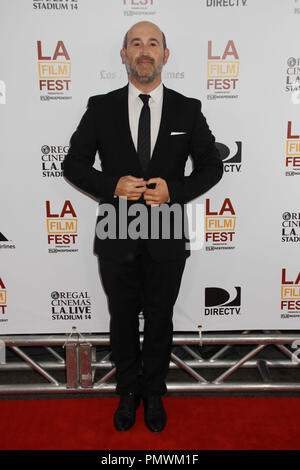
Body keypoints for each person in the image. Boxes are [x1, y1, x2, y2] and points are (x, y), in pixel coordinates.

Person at [63, 21, 223, 433]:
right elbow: (73, 164)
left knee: (159, 317)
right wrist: (110, 185)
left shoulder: (188, 109)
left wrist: (175, 191)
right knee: (120, 318)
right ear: (124, 55)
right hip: (117, 225)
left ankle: (154, 392)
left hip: (167, 226)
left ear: (166, 56)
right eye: (136, 44)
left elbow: (212, 166)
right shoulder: (101, 107)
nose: (145, 51)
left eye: (153, 44)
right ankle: (127, 392)